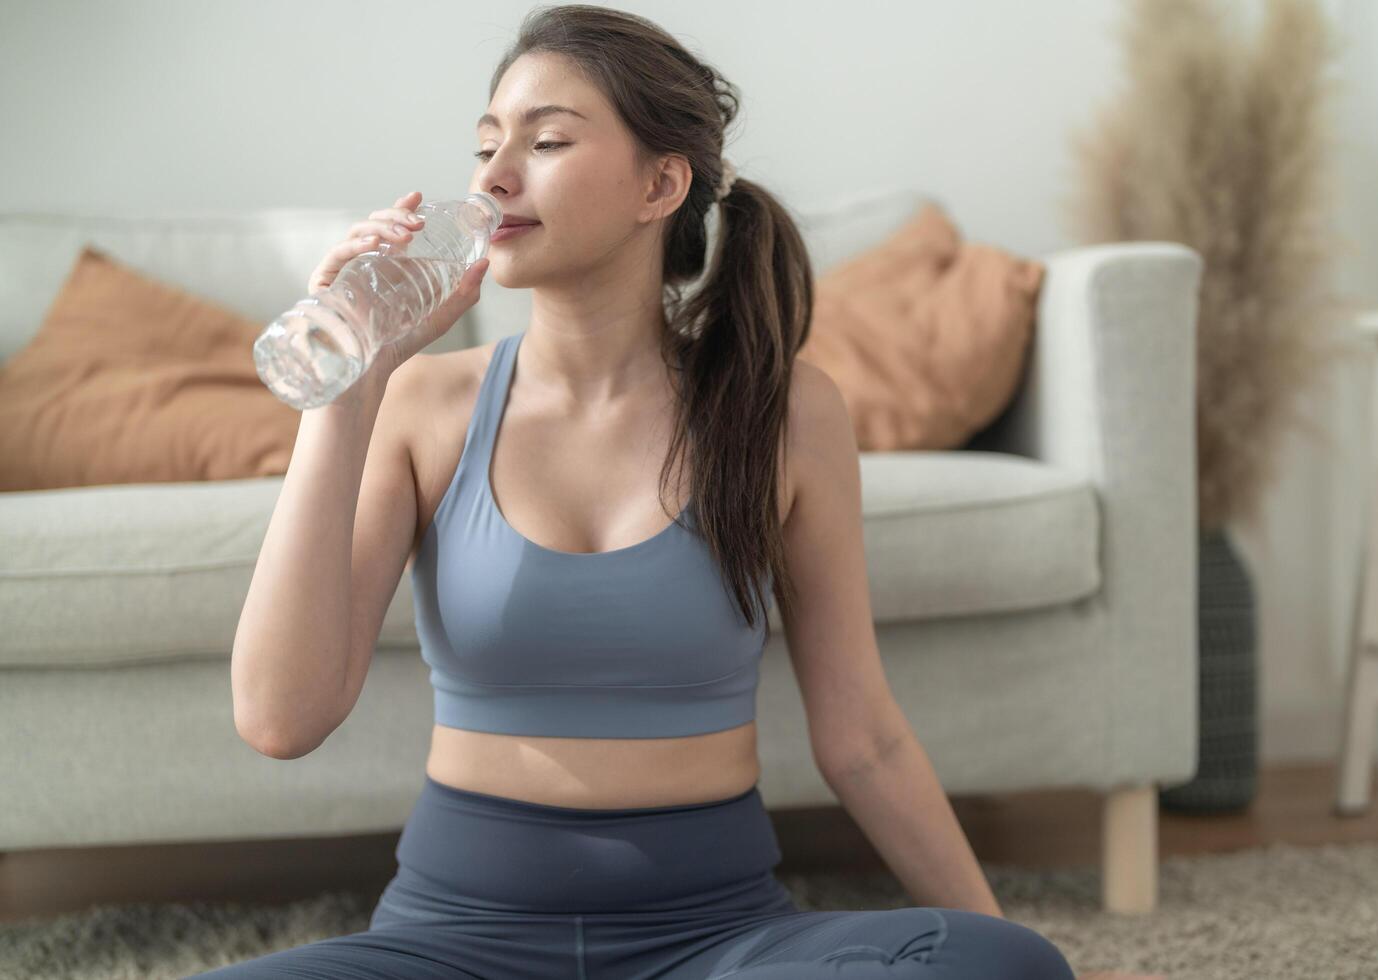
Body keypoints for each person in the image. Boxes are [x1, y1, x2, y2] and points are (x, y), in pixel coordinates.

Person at [208, 5, 1147, 977]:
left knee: (1001, 963)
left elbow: (863, 738)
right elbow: (281, 719)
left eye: (548, 140)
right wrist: (344, 384)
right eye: (487, 145)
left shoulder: (785, 412)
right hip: (455, 944)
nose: (493, 177)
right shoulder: (423, 405)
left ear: (661, 183)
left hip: (715, 942)